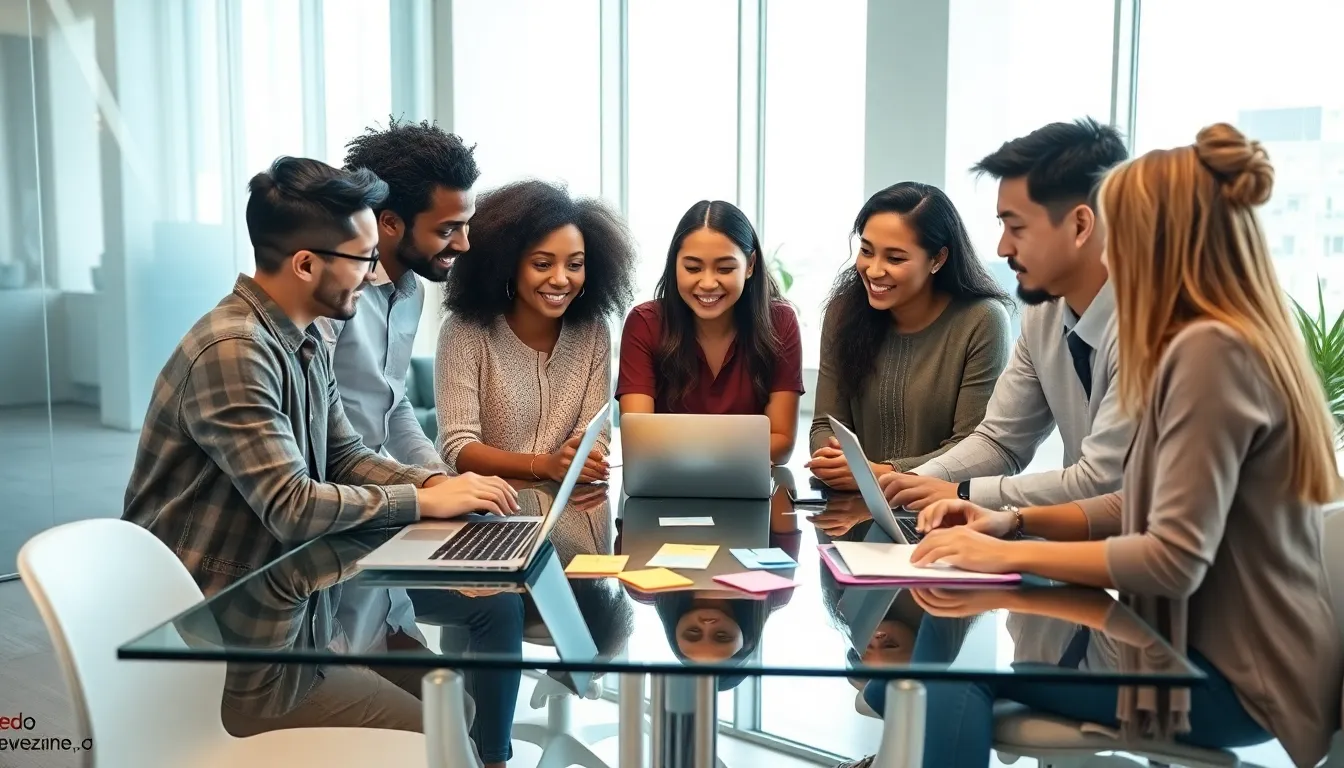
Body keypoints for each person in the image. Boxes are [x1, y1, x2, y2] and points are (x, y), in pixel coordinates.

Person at [865, 124, 1344, 768]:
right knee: (917, 674)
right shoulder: (1214, 342)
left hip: (1229, 682)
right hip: (1194, 650)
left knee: (943, 682)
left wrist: (1001, 570)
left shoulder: (1208, 354)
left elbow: (1172, 559)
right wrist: (1011, 521)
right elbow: (1141, 505)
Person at [122, 156, 517, 734]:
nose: (370, 274)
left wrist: (436, 483)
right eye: (361, 260)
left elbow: (346, 456)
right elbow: (293, 506)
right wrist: (423, 503)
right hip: (225, 654)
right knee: (431, 730)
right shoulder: (235, 350)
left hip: (284, 621)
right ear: (306, 264)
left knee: (453, 709)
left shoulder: (303, 340)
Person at [322, 119, 507, 665]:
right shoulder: (333, 301)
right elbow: (329, 445)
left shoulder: (410, 292)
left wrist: (447, 483)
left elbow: (392, 402)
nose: (466, 243)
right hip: (342, 516)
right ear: (389, 223)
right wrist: (425, 491)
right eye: (449, 228)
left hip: (387, 500)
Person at [877, 119, 1134, 512]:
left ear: (1081, 225)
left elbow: (1106, 482)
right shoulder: (1043, 313)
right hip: (1089, 547)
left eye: (1016, 227)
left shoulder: (1148, 328)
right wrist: (915, 484)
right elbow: (1000, 440)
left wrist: (965, 495)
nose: (1001, 247)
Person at [806, 182, 1012, 491]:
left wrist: (883, 472)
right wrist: (835, 460)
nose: (874, 271)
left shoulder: (982, 320)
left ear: (938, 259)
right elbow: (825, 423)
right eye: (866, 251)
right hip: (853, 506)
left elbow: (974, 448)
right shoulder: (843, 312)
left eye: (895, 259)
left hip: (941, 510)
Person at [435, 179, 637, 480]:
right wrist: (543, 465)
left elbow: (595, 432)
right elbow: (457, 446)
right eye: (542, 264)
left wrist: (584, 458)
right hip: (485, 510)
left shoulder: (593, 332)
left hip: (565, 503)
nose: (560, 279)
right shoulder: (465, 332)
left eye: (575, 264)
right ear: (507, 265)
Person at [616, 200, 804, 464]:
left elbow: (781, 441)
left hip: (746, 490)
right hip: (668, 487)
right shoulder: (645, 323)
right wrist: (738, 449)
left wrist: (686, 448)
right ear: (674, 265)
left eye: (725, 269)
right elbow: (638, 442)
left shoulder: (780, 323)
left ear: (750, 265)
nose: (707, 283)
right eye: (692, 268)